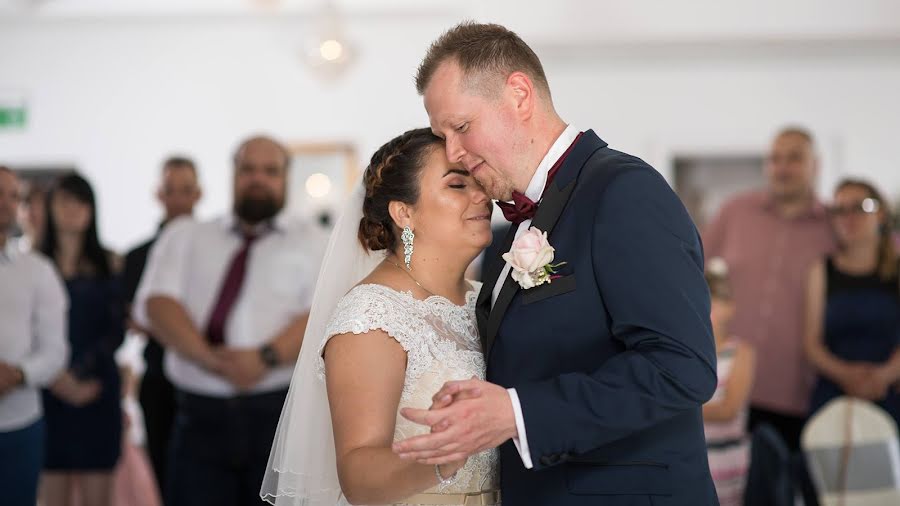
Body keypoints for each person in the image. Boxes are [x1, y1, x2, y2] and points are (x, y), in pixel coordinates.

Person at [392, 22, 719, 505]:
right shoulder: (517, 224)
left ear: (519, 95)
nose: (454, 154)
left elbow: (682, 366)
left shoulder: (623, 191)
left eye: (461, 128)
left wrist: (516, 413)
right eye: (444, 136)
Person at [261, 128, 497, 506]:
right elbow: (359, 474)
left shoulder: (486, 298)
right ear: (404, 213)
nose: (482, 195)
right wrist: (441, 460)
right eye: (457, 185)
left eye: (479, 181)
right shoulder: (372, 315)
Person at [134, 135, 324, 506]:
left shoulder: (315, 241)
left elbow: (322, 313)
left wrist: (265, 358)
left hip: (279, 418)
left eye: (270, 171)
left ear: (286, 177)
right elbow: (157, 303)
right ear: (232, 174)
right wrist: (209, 359)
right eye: (248, 169)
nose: (258, 178)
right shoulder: (185, 235)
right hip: (197, 418)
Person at [704, 127, 835, 451]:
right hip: (722, 388)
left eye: (794, 158)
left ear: (815, 165)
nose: (782, 167)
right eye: (775, 159)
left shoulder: (833, 227)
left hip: (793, 392)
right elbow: (690, 270)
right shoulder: (735, 211)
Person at [39, 173, 125, 506]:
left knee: (98, 496)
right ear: (50, 208)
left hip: (97, 390)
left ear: (92, 210)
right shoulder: (35, 265)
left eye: (81, 201)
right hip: (47, 391)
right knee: (52, 495)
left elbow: (115, 330)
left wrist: (80, 375)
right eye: (64, 201)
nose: (73, 209)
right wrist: (57, 377)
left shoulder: (110, 263)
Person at [122, 156, 201, 491]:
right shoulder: (137, 256)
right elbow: (133, 317)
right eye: (172, 190)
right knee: (163, 475)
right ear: (159, 194)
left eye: (186, 190)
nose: (179, 199)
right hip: (158, 377)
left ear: (198, 193)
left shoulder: (216, 248)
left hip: (203, 380)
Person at [0, 166, 69, 506]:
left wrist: (17, 373)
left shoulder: (38, 271)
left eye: (14, 196)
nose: (6, 203)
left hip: (19, 426)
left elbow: (55, 350)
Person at [804, 179, 900, 422]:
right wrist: (847, 376)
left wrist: (882, 377)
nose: (849, 217)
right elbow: (811, 344)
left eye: (861, 207)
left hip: (891, 392)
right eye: (839, 210)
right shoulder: (820, 270)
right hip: (834, 396)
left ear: (880, 214)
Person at [703, 258, 756, 506]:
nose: (708, 307)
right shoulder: (688, 354)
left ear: (730, 307)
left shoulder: (740, 353)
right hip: (695, 454)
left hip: (726, 458)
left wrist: (677, 406)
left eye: (716, 301)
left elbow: (729, 409)